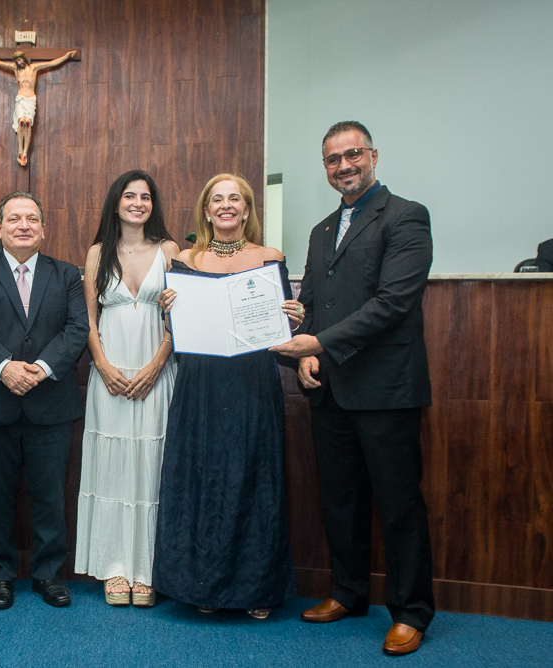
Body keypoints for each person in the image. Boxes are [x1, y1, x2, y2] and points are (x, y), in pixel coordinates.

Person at [270, 121, 435, 656]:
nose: (344, 166)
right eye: (333, 159)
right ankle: (349, 592)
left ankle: (411, 611)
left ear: (373, 156)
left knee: (398, 504)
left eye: (353, 155)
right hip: (331, 390)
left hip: (387, 389)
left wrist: (318, 340)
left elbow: (393, 303)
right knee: (340, 500)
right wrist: (305, 352)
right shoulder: (321, 232)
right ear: (325, 168)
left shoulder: (407, 216)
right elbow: (315, 304)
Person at [155, 174, 305, 619]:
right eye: (216, 199)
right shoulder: (185, 259)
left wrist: (295, 316)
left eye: (234, 199)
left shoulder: (269, 257)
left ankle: (256, 589)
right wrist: (168, 313)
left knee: (254, 477)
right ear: (206, 210)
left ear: (246, 209)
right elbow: (175, 333)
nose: (225, 206)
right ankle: (202, 585)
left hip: (252, 382)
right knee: (201, 477)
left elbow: (282, 327)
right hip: (200, 382)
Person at [0, 191, 89, 609]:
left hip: (50, 401)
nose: (23, 225)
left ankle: (48, 575)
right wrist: (5, 367)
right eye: (14, 219)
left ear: (43, 228)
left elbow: (76, 329)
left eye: (32, 218)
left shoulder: (66, 274)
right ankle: (1, 576)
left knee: (50, 494)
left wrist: (42, 368)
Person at [73, 170, 179, 607]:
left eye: (146, 196)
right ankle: (116, 567)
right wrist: (102, 365)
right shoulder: (99, 252)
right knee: (113, 468)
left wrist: (157, 365)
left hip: (156, 373)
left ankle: (149, 568)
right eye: (130, 195)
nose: (138, 202)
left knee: (152, 468)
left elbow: (180, 322)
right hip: (111, 378)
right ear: (116, 202)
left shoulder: (171, 250)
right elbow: (90, 322)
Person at [0, 49, 76, 166]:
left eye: (19, 60)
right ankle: (19, 150)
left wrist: (67, 56)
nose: (18, 62)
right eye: (17, 61)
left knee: (27, 123)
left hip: (30, 100)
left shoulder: (34, 68)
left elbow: (52, 63)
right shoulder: (15, 69)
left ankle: (24, 152)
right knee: (21, 122)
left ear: (23, 58)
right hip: (20, 99)